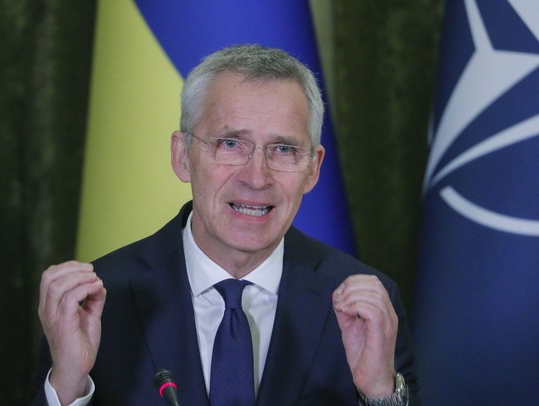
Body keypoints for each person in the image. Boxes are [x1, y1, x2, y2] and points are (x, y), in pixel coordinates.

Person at [30, 44, 418, 405]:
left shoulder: (368, 304)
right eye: (230, 144)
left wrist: (380, 393)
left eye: (283, 149)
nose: (256, 177)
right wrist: (68, 383)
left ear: (313, 169)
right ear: (182, 156)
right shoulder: (98, 300)